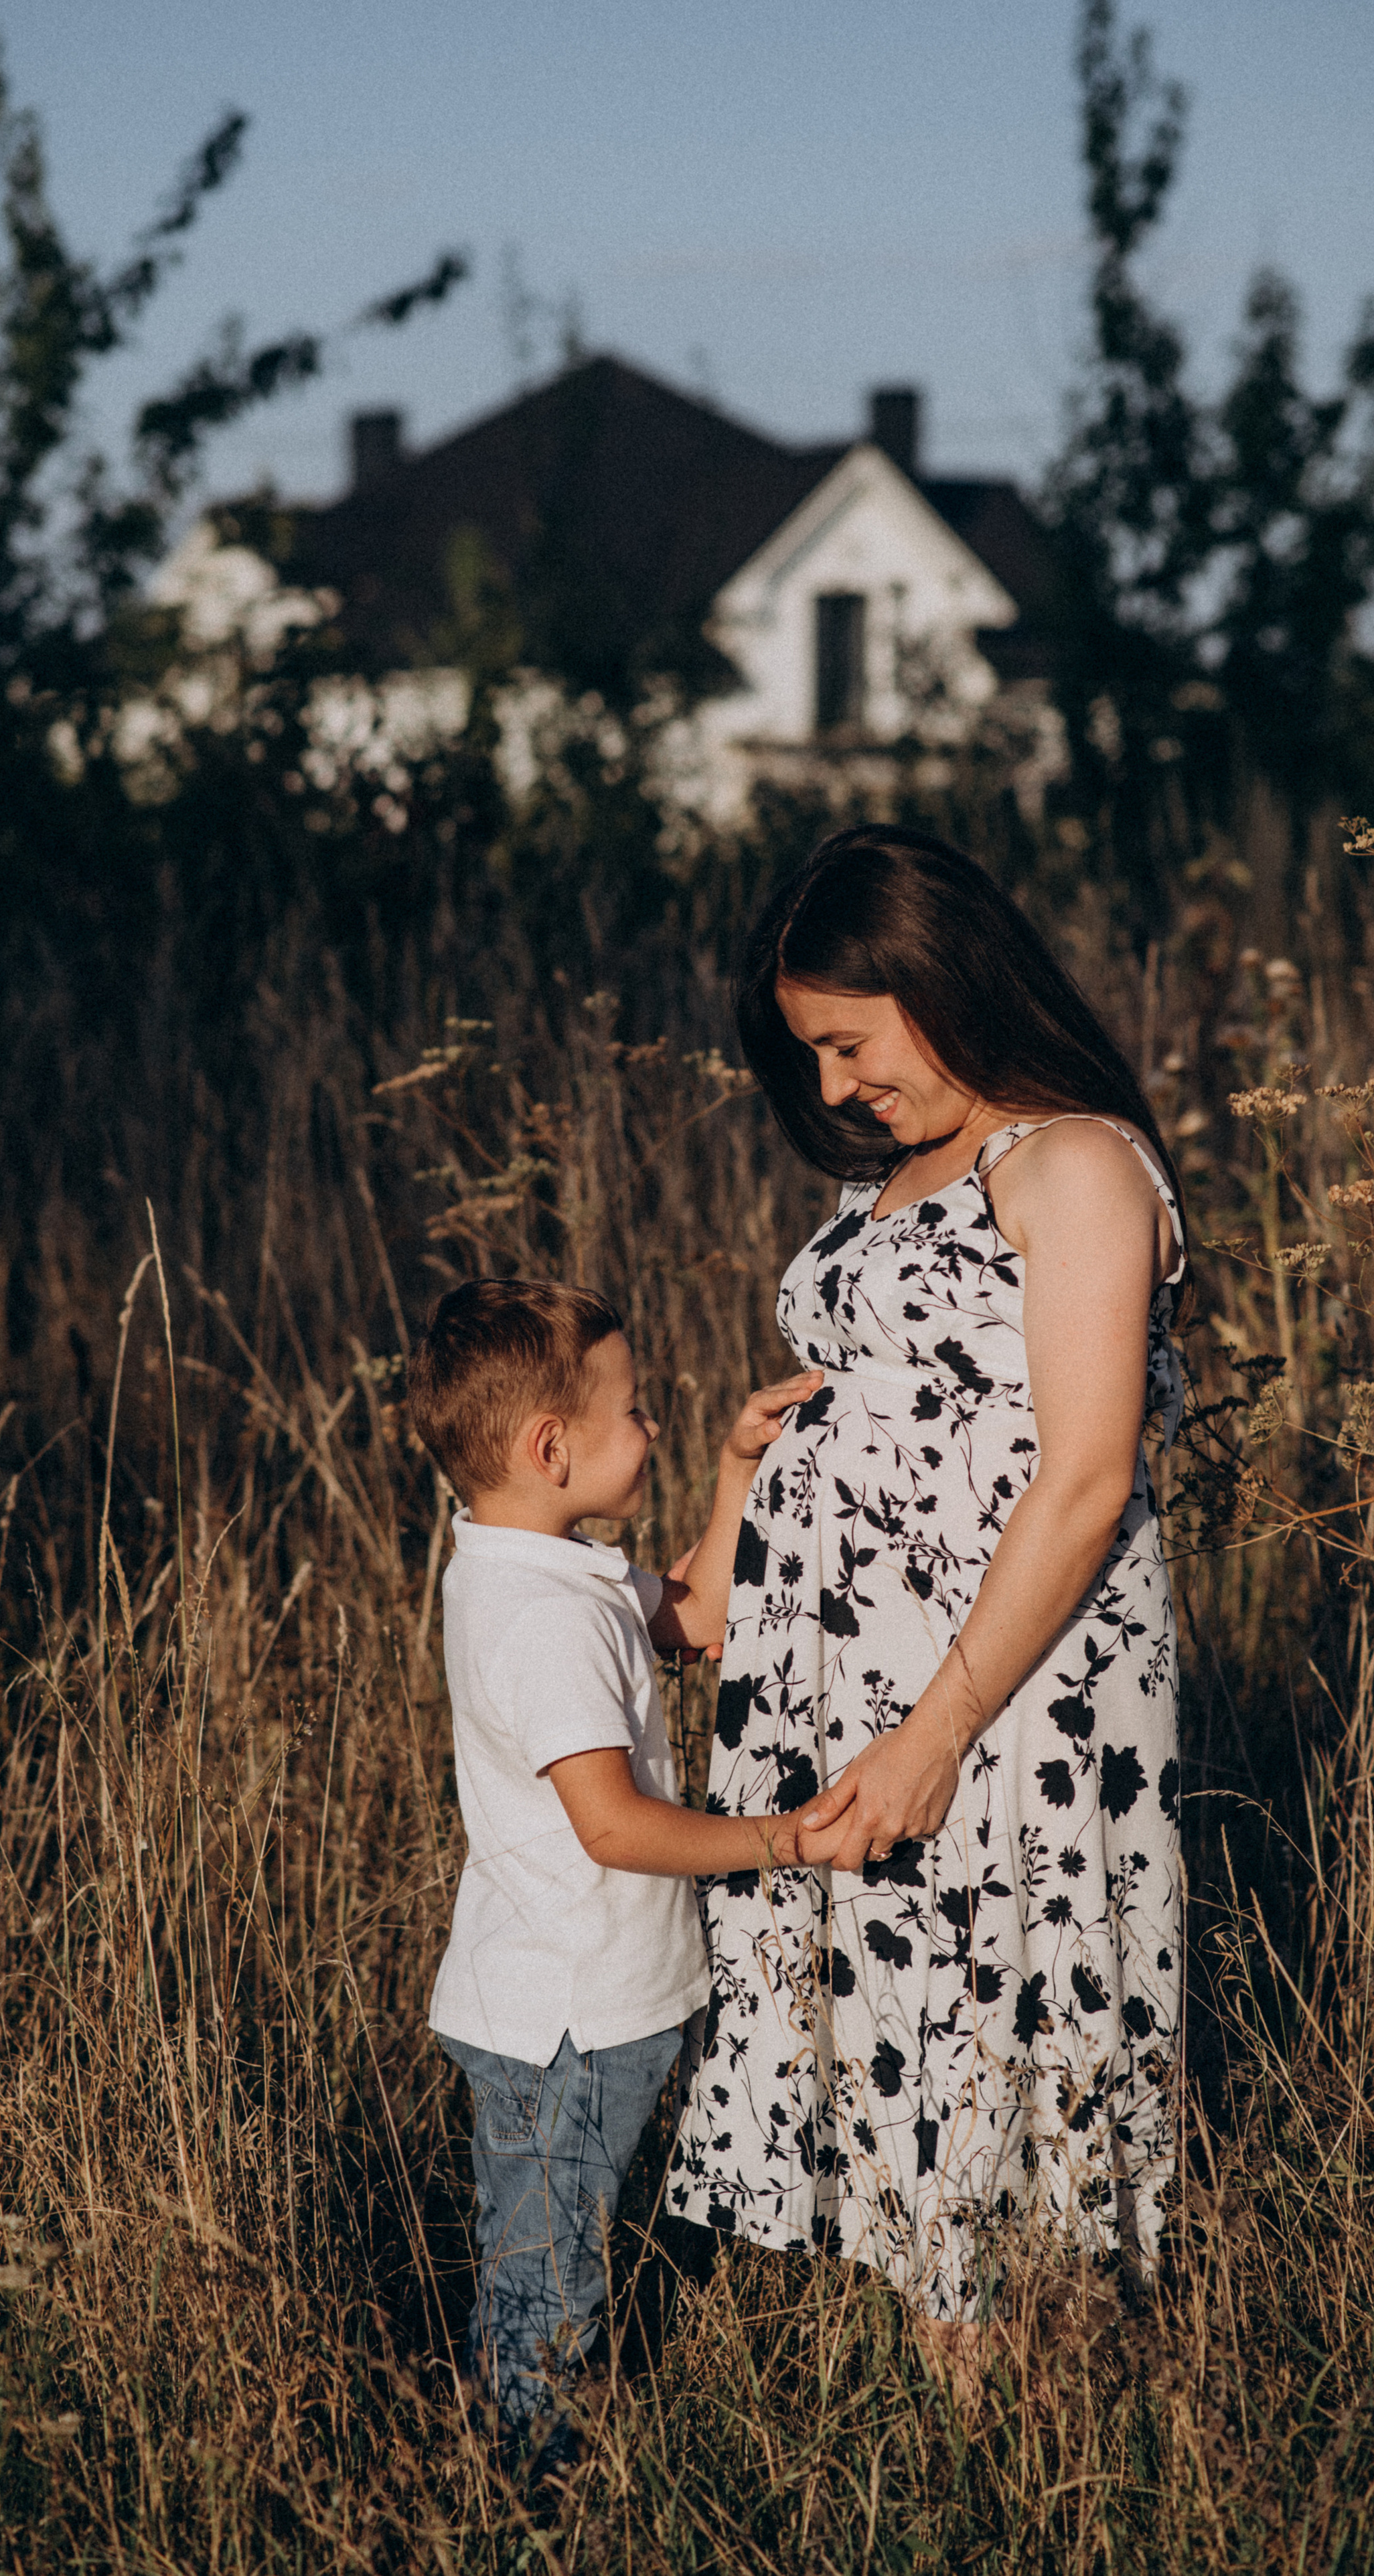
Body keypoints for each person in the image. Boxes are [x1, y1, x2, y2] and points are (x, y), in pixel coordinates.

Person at [668, 825, 1188, 2330]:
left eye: (842, 1041)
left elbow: (1083, 1475)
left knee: (1002, 2016)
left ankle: (1047, 2457)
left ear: (931, 974)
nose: (828, 1088)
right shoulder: (910, 1167)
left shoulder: (1071, 1158)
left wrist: (932, 1730)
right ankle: (975, 2454)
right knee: (907, 2027)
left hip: (1004, 1694)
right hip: (864, 1681)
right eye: (807, 1056)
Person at [408, 1276, 838, 2466]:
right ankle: (529, 2495)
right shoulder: (538, 1616)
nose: (653, 1425)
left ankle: (533, 2457)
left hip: (584, 2004)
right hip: (565, 2020)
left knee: (559, 2250)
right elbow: (614, 1825)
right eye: (638, 1410)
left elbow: (695, 1618)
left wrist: (736, 1468)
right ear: (553, 1447)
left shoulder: (542, 1564)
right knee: (549, 2287)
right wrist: (791, 1840)